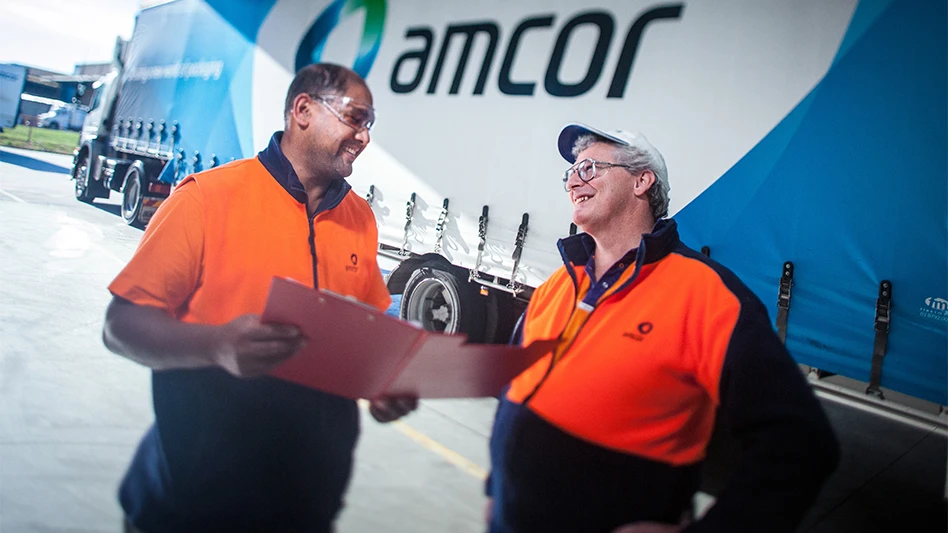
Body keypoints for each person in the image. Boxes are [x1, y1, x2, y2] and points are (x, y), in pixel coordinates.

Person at [103, 63, 417, 533]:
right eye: (356, 118)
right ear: (304, 110)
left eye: (369, 124)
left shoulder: (359, 219)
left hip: (306, 502)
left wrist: (381, 380)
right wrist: (215, 345)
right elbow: (120, 326)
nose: (364, 137)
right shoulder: (208, 199)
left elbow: (359, 334)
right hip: (193, 502)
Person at [485, 123, 840, 533]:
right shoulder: (559, 283)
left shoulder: (707, 293)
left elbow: (801, 442)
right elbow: (512, 384)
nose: (573, 182)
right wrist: (496, 490)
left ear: (641, 181)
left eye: (589, 168)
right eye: (570, 173)